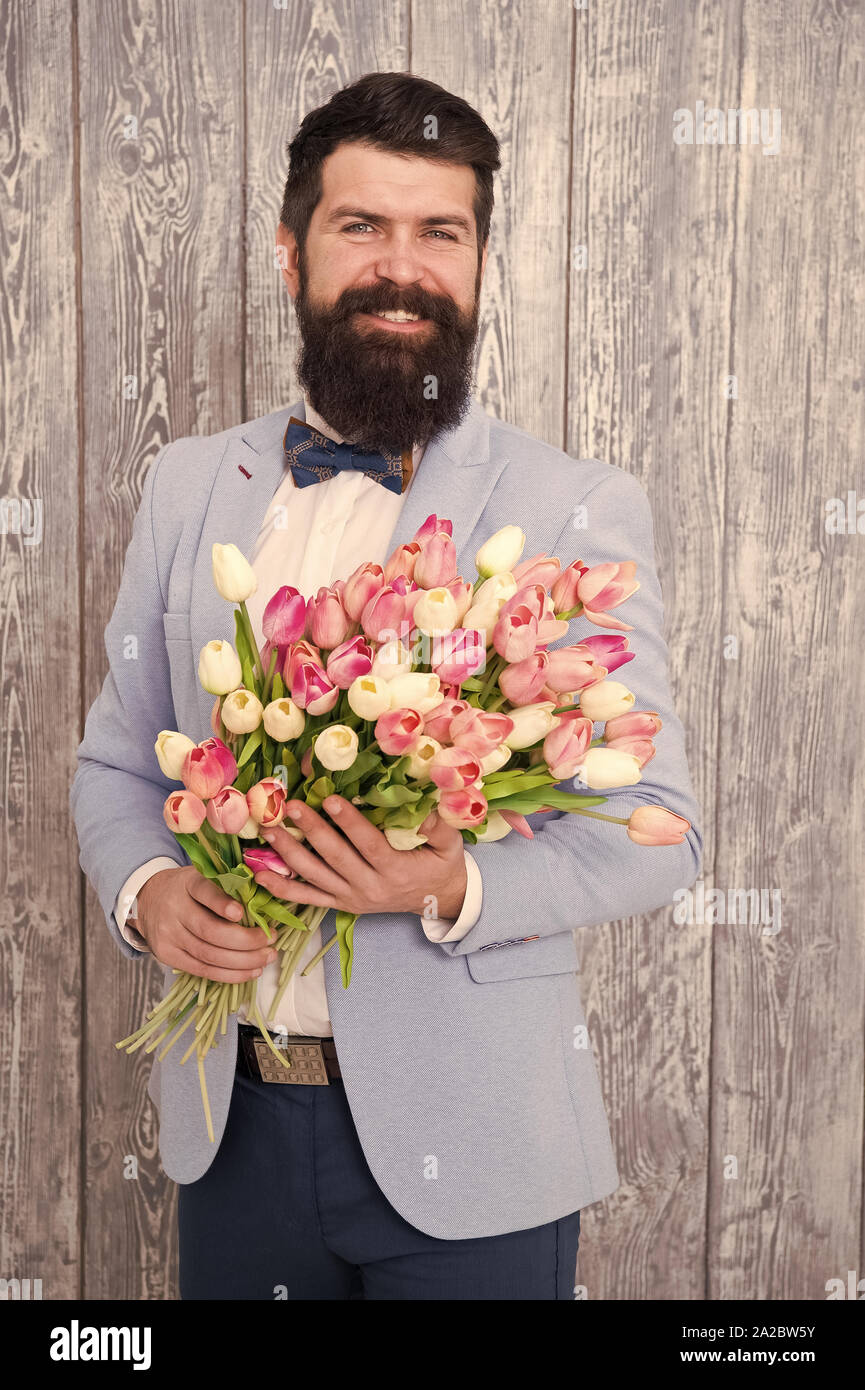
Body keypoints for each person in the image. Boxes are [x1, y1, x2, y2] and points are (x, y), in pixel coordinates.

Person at [70, 71, 702, 1300]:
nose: (400, 267)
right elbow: (114, 760)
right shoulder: (190, 484)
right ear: (291, 247)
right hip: (233, 1134)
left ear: (477, 261)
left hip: (479, 1143)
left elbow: (657, 832)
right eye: (362, 227)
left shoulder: (572, 508)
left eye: (440, 233)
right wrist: (148, 892)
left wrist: (453, 878)